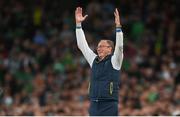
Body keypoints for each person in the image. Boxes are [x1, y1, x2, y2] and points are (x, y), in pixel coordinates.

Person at [75, 7, 124, 116]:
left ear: (110, 49)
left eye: (102, 46)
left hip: (109, 104)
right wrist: (78, 25)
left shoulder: (115, 61)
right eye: (98, 46)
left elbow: (120, 47)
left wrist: (118, 28)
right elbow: (82, 46)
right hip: (94, 103)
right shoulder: (93, 60)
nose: (98, 48)